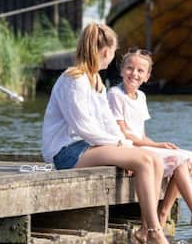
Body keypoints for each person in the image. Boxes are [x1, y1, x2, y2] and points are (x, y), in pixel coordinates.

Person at [41, 24, 169, 244]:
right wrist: (121, 145)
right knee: (145, 161)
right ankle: (156, 234)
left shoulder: (96, 81)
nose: (112, 58)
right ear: (106, 52)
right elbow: (85, 129)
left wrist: (125, 146)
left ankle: (147, 230)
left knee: (154, 159)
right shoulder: (74, 80)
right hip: (65, 152)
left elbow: (107, 122)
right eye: (114, 53)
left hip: (86, 147)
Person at [107, 48, 192, 241]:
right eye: (129, 68)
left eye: (140, 71)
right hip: (124, 148)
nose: (134, 74)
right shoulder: (115, 94)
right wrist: (158, 145)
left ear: (147, 76)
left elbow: (140, 134)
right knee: (179, 159)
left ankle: (163, 214)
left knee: (188, 158)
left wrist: (160, 145)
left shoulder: (141, 97)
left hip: (139, 146)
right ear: (121, 70)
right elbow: (124, 132)